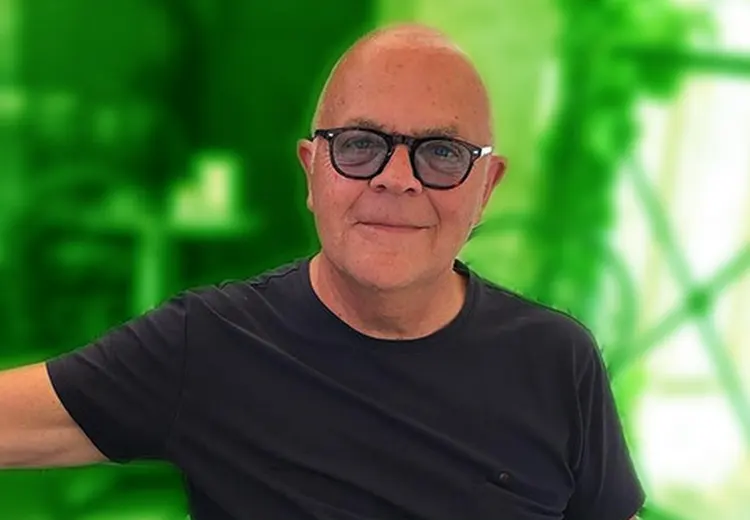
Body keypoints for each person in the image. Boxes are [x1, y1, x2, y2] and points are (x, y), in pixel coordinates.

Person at [0, 23, 644, 520]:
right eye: (361, 145)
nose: (397, 179)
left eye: (442, 153)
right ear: (312, 171)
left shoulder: (559, 361)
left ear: (486, 187)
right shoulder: (210, 345)